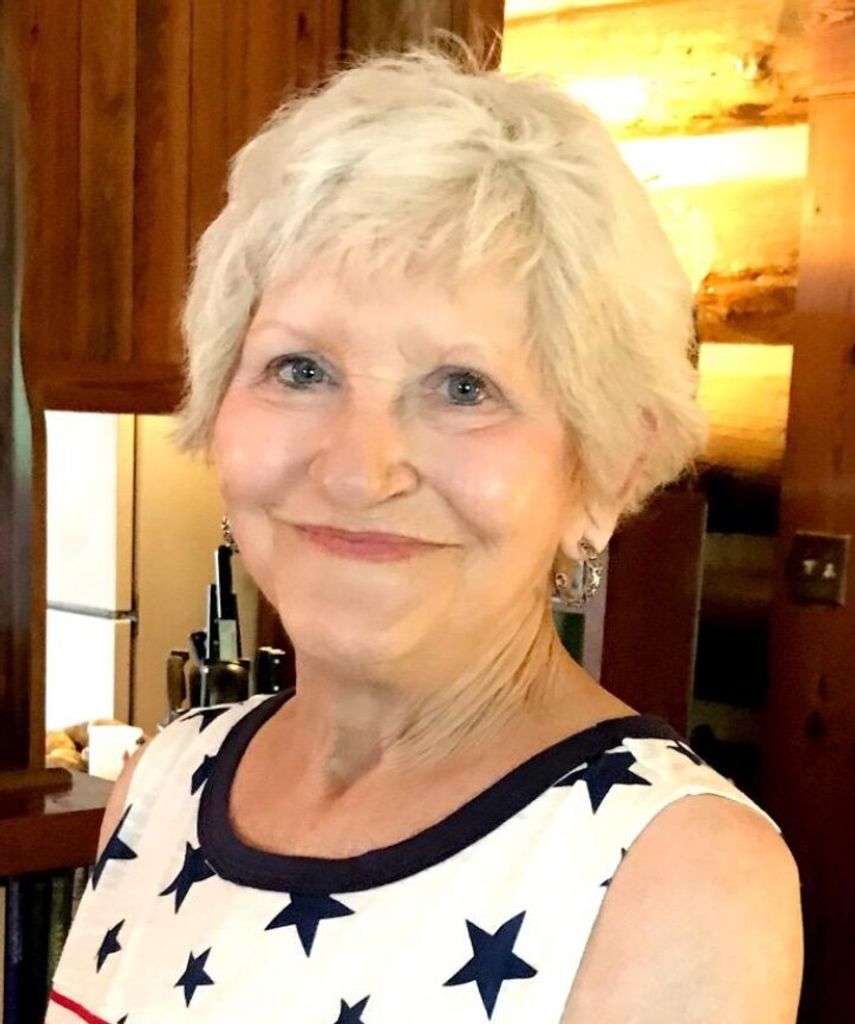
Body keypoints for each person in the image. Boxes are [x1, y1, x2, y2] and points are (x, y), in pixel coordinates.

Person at [48, 42, 803, 1024]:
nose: (358, 471)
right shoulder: (165, 779)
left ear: (610, 468)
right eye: (301, 369)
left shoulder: (675, 877)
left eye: (462, 387)